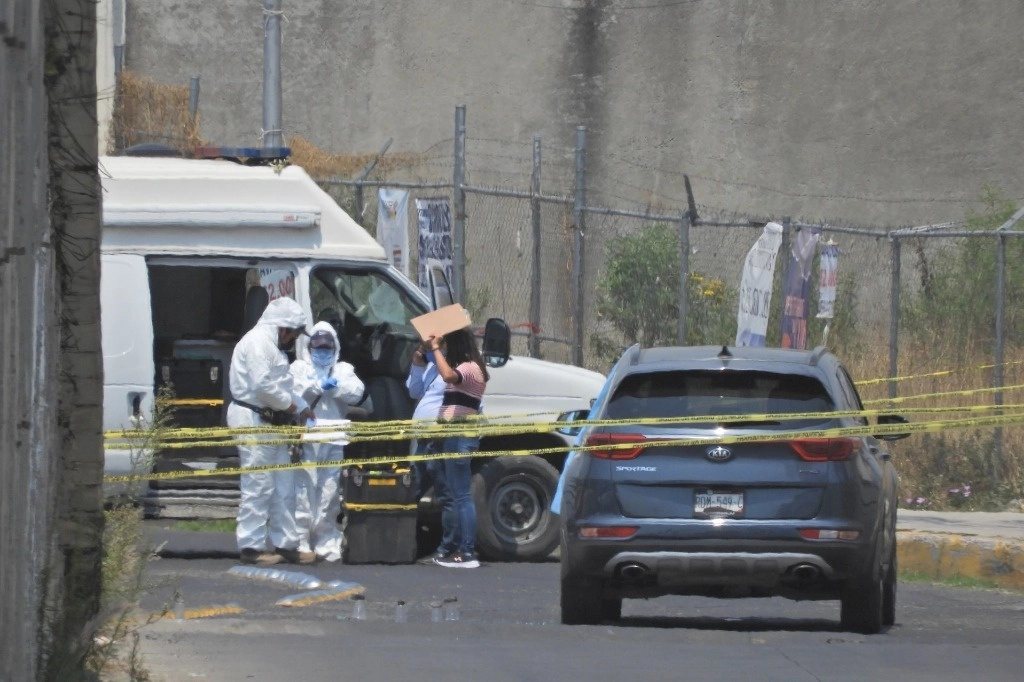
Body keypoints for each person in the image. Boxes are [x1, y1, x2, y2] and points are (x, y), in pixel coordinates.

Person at [227, 296, 315, 566]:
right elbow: (263, 386)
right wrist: (291, 406)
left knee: (284, 485)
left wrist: (301, 406)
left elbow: (282, 384)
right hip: (253, 419)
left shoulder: (271, 347)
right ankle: (251, 547)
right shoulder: (257, 343)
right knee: (259, 484)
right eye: (295, 334)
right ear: (284, 328)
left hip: (271, 421)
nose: (294, 340)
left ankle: (286, 543)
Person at [289, 322, 366, 562]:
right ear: (309, 347)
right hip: (307, 438)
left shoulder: (342, 370)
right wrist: (315, 385)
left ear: (335, 347)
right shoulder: (299, 367)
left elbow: (357, 391)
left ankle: (326, 541)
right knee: (302, 489)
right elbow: (289, 390)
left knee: (330, 491)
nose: (322, 352)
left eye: (326, 348)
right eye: (318, 347)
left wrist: (335, 388)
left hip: (333, 437)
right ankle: (300, 540)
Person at [426, 327, 489, 568]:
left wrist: (435, 348)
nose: (446, 351)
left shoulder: (470, 367)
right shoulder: (469, 367)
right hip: (453, 434)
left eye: (448, 346)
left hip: (460, 435)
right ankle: (453, 547)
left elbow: (448, 376)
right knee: (454, 493)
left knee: (462, 495)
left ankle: (468, 551)